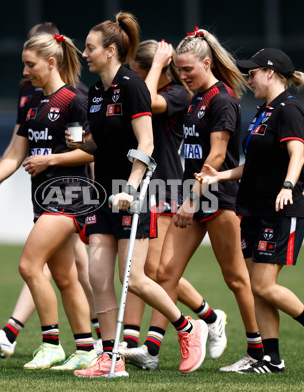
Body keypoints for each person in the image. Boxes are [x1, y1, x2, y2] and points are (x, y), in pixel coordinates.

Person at [69, 12, 208, 378]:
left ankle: (188, 329)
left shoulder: (132, 86)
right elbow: (100, 142)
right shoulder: (96, 92)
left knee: (134, 279)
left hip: (133, 192)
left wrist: (131, 188)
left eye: (90, 47)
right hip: (103, 193)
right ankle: (110, 358)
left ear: (111, 50)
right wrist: (82, 142)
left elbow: (145, 141)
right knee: (99, 277)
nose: (85, 53)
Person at [195, 48, 304, 373]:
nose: (248, 78)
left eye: (253, 72)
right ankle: (270, 358)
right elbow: (253, 166)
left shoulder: (288, 109)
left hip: (280, 209)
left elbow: (296, 155)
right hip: (253, 210)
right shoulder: (264, 111)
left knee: (262, 285)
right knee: (258, 287)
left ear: (271, 73)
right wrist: (222, 175)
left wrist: (288, 186)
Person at [0, 22, 102, 361]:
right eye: (24, 64)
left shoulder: (73, 101)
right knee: (64, 276)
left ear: (52, 62)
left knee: (30, 266)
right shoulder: (32, 103)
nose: (25, 71)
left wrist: (51, 159)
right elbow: (15, 153)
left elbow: (88, 150)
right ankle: (86, 349)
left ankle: (51, 345)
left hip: (70, 194)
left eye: (31, 64)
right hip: (45, 197)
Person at [143, 27, 265, 373]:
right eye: (178, 70)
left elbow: (218, 153)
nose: (182, 76)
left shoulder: (222, 99)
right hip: (194, 196)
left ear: (207, 63)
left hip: (218, 197)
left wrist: (191, 199)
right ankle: (151, 351)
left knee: (236, 278)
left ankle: (258, 352)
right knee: (165, 272)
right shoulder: (195, 97)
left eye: (188, 70)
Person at [119, 39, 228, 370]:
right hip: (147, 187)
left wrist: (153, 68)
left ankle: (205, 319)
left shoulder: (178, 95)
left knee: (153, 270)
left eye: (138, 70)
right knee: (145, 271)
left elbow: (147, 101)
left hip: (167, 186)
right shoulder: (170, 91)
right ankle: (137, 343)